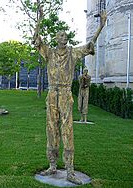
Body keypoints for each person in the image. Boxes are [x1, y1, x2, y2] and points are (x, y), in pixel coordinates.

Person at [33, 8, 107, 184]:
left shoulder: (73, 53)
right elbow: (37, 39)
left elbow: (89, 45)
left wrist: (101, 26)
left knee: (67, 130)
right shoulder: (49, 53)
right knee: (51, 128)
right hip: (52, 94)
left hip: (66, 94)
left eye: (66, 36)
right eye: (60, 35)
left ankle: (70, 171)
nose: (64, 38)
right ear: (56, 39)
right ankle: (52, 166)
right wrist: (40, 19)